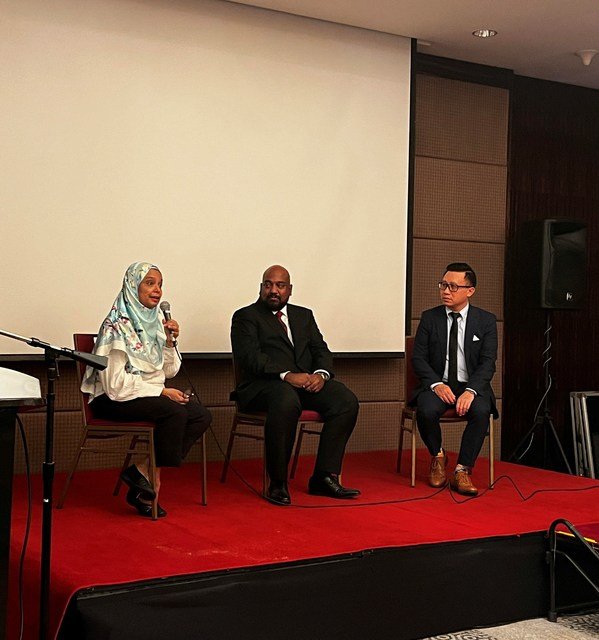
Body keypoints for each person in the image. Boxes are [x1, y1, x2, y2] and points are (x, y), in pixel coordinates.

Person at [81, 261, 211, 517]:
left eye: (160, 284)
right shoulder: (116, 326)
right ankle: (151, 481)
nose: (157, 290)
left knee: (201, 415)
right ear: (132, 287)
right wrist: (162, 392)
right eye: (150, 283)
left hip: (143, 395)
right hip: (110, 399)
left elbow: (169, 372)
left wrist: (170, 341)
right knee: (174, 412)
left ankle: (142, 470)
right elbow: (115, 386)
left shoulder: (154, 324)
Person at [230, 265, 360, 506]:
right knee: (285, 399)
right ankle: (277, 482)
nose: (273, 290)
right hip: (263, 387)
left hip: (304, 384)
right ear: (261, 288)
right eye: (268, 285)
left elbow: (320, 350)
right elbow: (250, 358)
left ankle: (323, 476)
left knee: (345, 400)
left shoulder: (304, 315)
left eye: (280, 286)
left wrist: (320, 375)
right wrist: (287, 375)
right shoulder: (245, 317)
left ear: (289, 290)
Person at [411, 262, 498, 496]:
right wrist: (437, 385)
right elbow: (418, 358)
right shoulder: (430, 318)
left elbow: (488, 362)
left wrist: (471, 391)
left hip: (470, 386)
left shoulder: (486, 321)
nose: (445, 291)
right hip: (439, 384)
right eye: (443, 285)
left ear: (470, 290)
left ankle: (462, 469)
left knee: (481, 411)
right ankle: (438, 456)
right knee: (426, 409)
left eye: (452, 286)